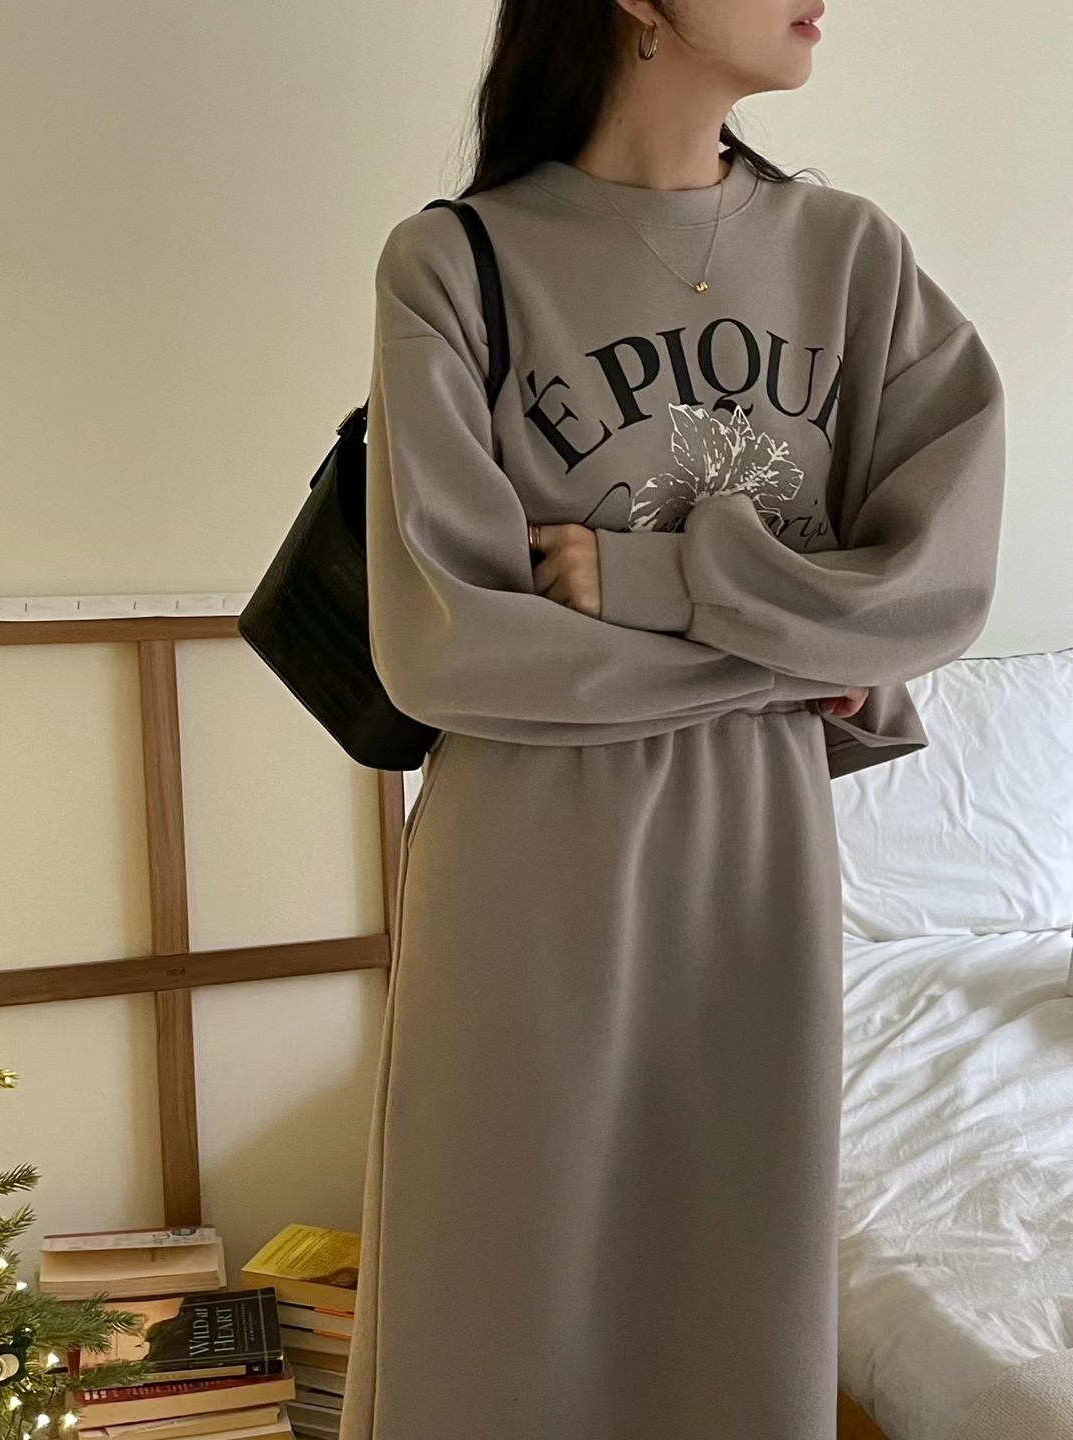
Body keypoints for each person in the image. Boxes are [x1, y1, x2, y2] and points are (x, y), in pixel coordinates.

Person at [340, 1, 1006, 1437]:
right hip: (525, 866)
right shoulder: (455, 262)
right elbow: (449, 649)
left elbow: (935, 585)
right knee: (504, 1295)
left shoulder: (852, 259)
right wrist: (791, 653)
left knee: (731, 1294)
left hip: (754, 857)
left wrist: (652, 578)